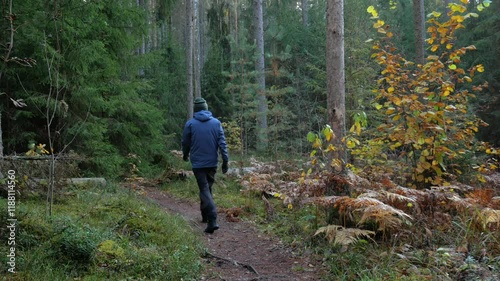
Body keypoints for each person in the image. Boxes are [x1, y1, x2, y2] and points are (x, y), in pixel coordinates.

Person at [182, 97, 229, 234]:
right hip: (212, 162)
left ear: (196, 110)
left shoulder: (190, 124)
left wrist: (185, 155)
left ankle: (212, 218)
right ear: (206, 108)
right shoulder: (216, 123)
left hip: (198, 163)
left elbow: (185, 143)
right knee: (207, 188)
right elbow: (222, 143)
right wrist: (225, 160)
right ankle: (205, 215)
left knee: (204, 188)